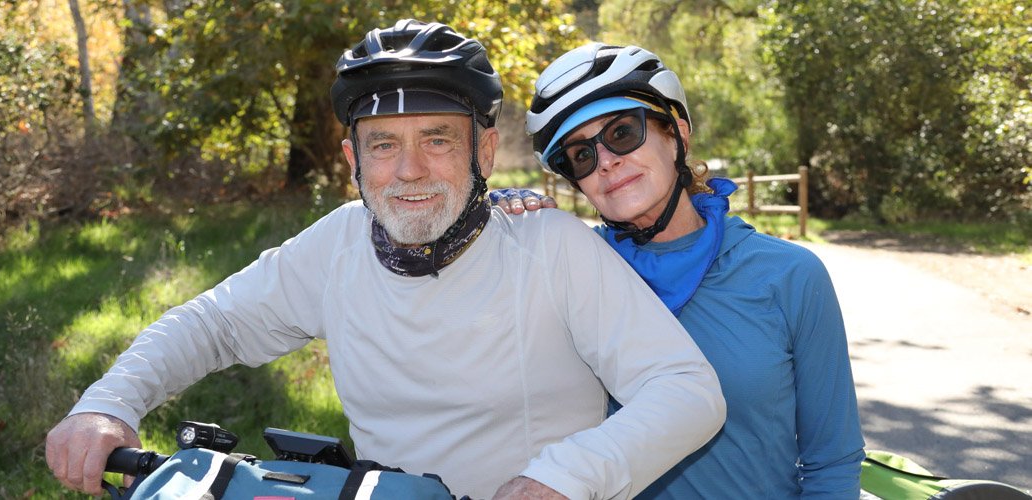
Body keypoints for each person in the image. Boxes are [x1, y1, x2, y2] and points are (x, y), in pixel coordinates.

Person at [44, 21, 726, 500]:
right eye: (382, 145)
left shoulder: (551, 247)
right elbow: (211, 325)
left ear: (484, 153)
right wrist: (108, 402)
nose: (410, 171)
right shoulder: (334, 245)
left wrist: (565, 479)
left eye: (436, 139)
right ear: (352, 161)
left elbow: (685, 390)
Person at [499, 42, 865, 498]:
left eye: (622, 133)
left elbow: (832, 461)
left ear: (678, 134)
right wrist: (500, 226)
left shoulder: (789, 276)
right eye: (581, 156)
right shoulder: (571, 273)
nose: (606, 161)